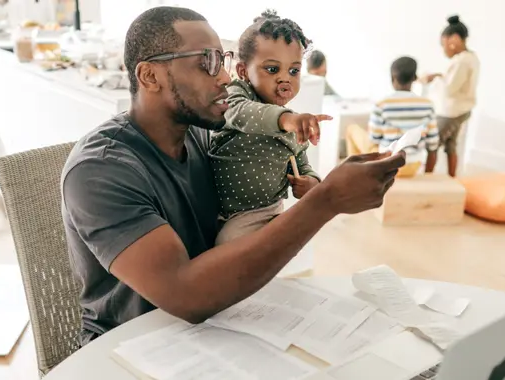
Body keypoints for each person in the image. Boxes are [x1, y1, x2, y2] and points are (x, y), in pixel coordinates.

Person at [60, 6, 406, 347]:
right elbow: (187, 295)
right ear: (150, 76)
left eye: (223, 60)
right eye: (207, 62)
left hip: (217, 327)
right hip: (130, 347)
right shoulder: (99, 171)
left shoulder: (202, 136)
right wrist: (326, 201)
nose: (225, 77)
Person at [208, 9, 329, 245]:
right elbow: (240, 113)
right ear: (243, 71)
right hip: (216, 205)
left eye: (293, 71)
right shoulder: (239, 94)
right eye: (273, 69)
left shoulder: (291, 123)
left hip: (263, 211)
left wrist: (311, 182)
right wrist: (286, 120)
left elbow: (301, 163)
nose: (285, 79)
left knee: (229, 252)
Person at [346, 56, 439, 177]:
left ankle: (354, 175)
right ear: (414, 78)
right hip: (414, 166)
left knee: (351, 129)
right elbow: (433, 145)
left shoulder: (382, 104)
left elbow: (374, 139)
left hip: (387, 164)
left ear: (392, 78)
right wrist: (428, 176)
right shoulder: (427, 105)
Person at [420, 15, 480, 177]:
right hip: (462, 109)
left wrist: (436, 78)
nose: (444, 49)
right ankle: (452, 178)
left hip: (451, 112)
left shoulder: (461, 61)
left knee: (432, 144)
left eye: (443, 44)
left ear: (453, 39)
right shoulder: (471, 58)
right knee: (451, 145)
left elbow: (449, 89)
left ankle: (426, 178)